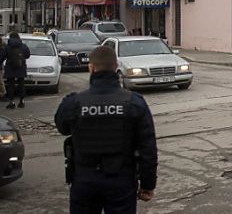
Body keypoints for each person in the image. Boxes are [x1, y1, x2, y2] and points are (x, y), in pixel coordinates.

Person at [54, 46, 158, 214]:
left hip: (84, 180)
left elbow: (62, 127)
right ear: (116, 67)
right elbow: (148, 147)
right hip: (121, 180)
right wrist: (148, 184)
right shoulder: (134, 102)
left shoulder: (74, 103)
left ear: (91, 68)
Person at [3, 32, 31, 109]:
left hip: (10, 67)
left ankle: (11, 102)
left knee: (10, 85)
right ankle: (21, 101)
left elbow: (2, 56)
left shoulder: (8, 46)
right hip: (21, 67)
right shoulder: (23, 46)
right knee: (21, 85)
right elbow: (28, 55)